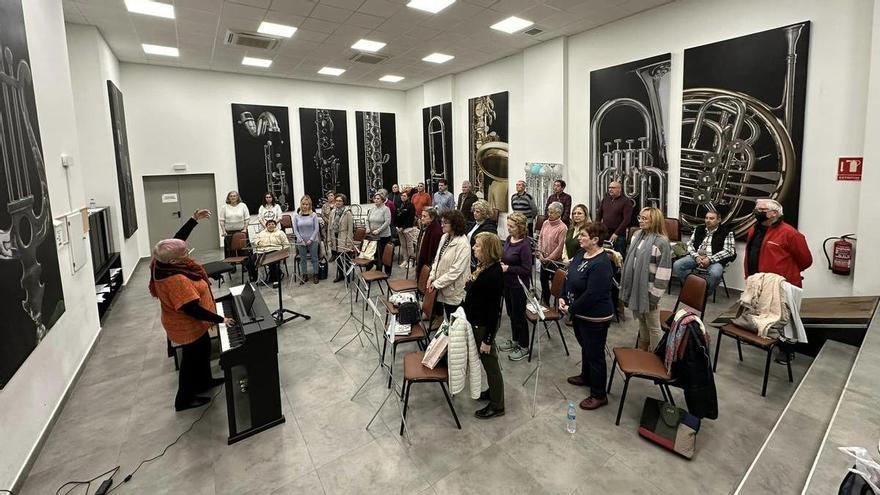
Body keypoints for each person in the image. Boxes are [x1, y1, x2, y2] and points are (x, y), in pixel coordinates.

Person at [149, 209, 232, 412]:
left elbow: (177, 242)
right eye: (185, 254)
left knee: (203, 349)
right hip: (186, 324)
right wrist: (221, 319)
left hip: (190, 323)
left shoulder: (161, 262)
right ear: (175, 261)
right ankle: (184, 399)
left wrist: (193, 220)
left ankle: (205, 381)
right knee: (190, 360)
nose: (188, 255)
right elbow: (192, 309)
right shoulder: (176, 279)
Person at [745, 198, 812, 363]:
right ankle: (768, 340)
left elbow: (806, 260)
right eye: (756, 208)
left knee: (786, 320)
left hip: (783, 285)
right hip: (759, 282)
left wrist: (786, 274)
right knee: (764, 314)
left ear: (774, 213)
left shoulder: (790, 233)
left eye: (761, 209)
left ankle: (787, 351)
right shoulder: (754, 229)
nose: (756, 212)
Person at [559, 222, 615, 411]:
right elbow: (568, 277)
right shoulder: (580, 254)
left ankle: (599, 394)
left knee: (595, 354)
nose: (579, 238)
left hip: (595, 316)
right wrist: (561, 297)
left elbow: (593, 294)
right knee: (586, 348)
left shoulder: (601, 263)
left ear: (595, 240)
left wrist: (571, 309)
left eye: (583, 235)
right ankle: (586, 376)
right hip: (579, 312)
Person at [462, 232, 505, 419]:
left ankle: (497, 405)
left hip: (483, 326)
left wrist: (488, 340)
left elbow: (494, 311)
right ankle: (493, 393)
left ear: (487, 250)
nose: (473, 248)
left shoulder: (493, 274)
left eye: (477, 245)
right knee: (487, 363)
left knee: (491, 364)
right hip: (476, 320)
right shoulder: (484, 267)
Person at [620, 207, 672, 351]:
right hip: (636, 288)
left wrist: (654, 296)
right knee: (642, 322)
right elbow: (631, 260)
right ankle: (643, 349)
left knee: (654, 327)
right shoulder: (637, 235)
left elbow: (664, 273)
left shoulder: (662, 242)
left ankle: (656, 355)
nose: (641, 221)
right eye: (640, 218)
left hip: (649, 291)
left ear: (654, 221)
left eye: (645, 219)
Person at [672, 209, 736, 293]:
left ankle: (704, 293)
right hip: (697, 257)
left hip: (715, 260)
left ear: (719, 220)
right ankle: (692, 288)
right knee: (677, 265)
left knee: (715, 274)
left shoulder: (727, 232)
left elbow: (729, 251)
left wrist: (710, 260)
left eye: (711, 218)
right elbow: (690, 245)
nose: (708, 220)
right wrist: (696, 257)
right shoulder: (699, 229)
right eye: (706, 218)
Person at [498, 212, 533, 361]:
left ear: (520, 227)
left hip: (519, 286)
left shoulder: (524, 245)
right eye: (508, 225)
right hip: (507, 283)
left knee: (519, 316)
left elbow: (527, 269)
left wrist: (508, 269)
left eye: (512, 226)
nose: (509, 228)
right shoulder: (508, 239)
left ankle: (524, 346)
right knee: (511, 314)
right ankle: (515, 340)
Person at [427, 210, 471, 318]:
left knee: (455, 323)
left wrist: (437, 283)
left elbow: (456, 271)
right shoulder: (445, 237)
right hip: (443, 285)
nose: (442, 225)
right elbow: (437, 260)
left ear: (455, 224)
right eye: (441, 221)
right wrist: (431, 277)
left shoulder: (463, 244)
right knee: (448, 317)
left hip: (454, 290)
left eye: (445, 222)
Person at [538, 201, 567, 305]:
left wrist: (549, 258)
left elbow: (560, 247)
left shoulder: (562, 227)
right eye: (548, 212)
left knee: (556, 284)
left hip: (555, 262)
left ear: (559, 214)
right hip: (543, 258)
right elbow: (540, 238)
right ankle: (546, 302)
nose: (549, 214)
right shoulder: (545, 223)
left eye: (552, 212)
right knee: (543, 280)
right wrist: (540, 253)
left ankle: (557, 306)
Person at [250, 219, 290, 287]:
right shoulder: (262, 233)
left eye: (272, 224)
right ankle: (255, 279)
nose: (271, 226)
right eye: (269, 224)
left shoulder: (280, 232)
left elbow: (286, 243)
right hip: (262, 251)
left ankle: (276, 279)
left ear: (275, 225)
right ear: (266, 226)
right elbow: (254, 240)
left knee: (273, 262)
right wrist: (258, 242)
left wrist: (284, 252)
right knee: (250, 262)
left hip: (275, 250)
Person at [596, 181, 634, 254]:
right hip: (604, 233)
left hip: (618, 236)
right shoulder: (606, 199)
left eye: (613, 188)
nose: (610, 189)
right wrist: (597, 228)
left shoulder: (626, 201)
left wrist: (616, 233)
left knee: (617, 257)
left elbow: (627, 220)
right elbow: (599, 215)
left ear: (619, 189)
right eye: (609, 188)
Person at [293, 195, 320, 285]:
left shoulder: (314, 215)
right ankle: (304, 275)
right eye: (303, 204)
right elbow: (295, 229)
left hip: (312, 240)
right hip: (301, 242)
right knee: (303, 259)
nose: (305, 206)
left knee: (314, 258)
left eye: (307, 204)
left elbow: (316, 229)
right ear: (301, 204)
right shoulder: (296, 216)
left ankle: (316, 274)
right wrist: (301, 240)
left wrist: (311, 239)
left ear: (310, 205)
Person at [329, 194, 354, 283]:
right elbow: (329, 226)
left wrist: (349, 242)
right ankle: (340, 275)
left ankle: (348, 276)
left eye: (340, 201)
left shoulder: (348, 213)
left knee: (346, 258)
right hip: (334, 237)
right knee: (338, 258)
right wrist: (329, 239)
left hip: (344, 237)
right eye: (337, 200)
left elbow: (350, 229)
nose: (338, 202)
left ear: (344, 202)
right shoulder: (333, 212)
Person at [367, 190, 393, 275]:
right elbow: (367, 220)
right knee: (377, 254)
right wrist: (367, 228)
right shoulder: (372, 209)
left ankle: (387, 271)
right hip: (373, 235)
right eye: (375, 198)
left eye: (378, 198)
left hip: (384, 236)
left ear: (382, 200)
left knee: (386, 255)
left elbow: (387, 222)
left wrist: (378, 230)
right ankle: (378, 270)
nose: (376, 200)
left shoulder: (386, 209)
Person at [467, 199, 498, 269]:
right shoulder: (475, 223)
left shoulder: (490, 227)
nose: (474, 213)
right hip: (470, 257)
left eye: (477, 212)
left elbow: (487, 247)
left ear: (484, 213)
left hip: (479, 259)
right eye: (474, 211)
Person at [219, 190, 250, 258]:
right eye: (231, 196)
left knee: (243, 252)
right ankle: (231, 268)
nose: (233, 197)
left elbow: (247, 219)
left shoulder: (243, 205)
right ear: (228, 198)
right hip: (229, 233)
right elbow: (221, 221)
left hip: (241, 232)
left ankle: (245, 268)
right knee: (230, 252)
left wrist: (245, 229)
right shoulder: (224, 207)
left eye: (234, 196)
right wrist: (224, 231)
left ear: (237, 197)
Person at [416, 207, 442, 278]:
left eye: (425, 216)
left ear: (432, 217)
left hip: (428, 266)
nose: (422, 218)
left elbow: (434, 252)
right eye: (422, 216)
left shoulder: (436, 232)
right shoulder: (427, 226)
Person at [396, 190, 417, 269]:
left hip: (408, 228)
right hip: (399, 229)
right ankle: (405, 260)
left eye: (404, 196)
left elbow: (410, 218)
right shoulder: (399, 205)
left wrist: (403, 227)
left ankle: (411, 261)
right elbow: (397, 216)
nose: (402, 197)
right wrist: (397, 226)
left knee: (409, 245)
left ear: (408, 197)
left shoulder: (410, 205)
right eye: (401, 196)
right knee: (403, 245)